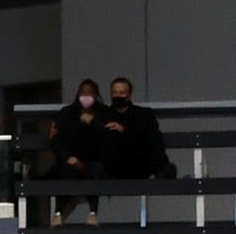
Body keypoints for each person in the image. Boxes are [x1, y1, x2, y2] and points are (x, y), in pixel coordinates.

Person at [46, 79, 108, 226]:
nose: (86, 96)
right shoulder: (67, 113)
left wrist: (93, 122)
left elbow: (108, 136)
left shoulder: (104, 112)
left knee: (94, 171)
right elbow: (55, 140)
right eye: (82, 92)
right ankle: (58, 213)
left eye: (90, 93)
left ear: (96, 95)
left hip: (94, 160)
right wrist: (68, 158)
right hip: (69, 160)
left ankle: (93, 213)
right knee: (65, 171)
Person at [99, 77, 170, 182]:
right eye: (114, 92)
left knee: (153, 141)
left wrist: (124, 130)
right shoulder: (104, 115)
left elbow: (151, 139)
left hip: (140, 161)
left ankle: (163, 172)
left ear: (129, 95)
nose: (118, 96)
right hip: (114, 164)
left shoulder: (144, 114)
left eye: (122, 93)